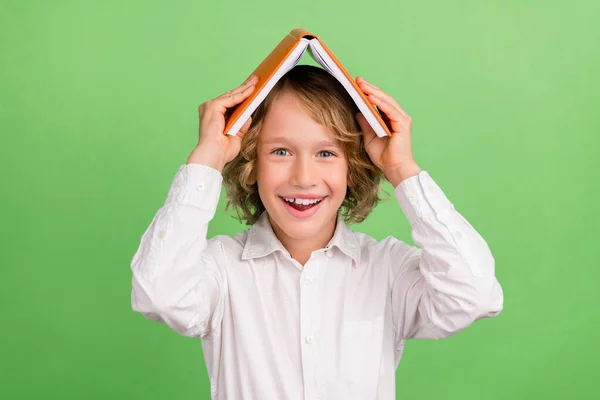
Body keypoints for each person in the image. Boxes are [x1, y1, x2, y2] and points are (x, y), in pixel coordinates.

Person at [130, 65, 503, 400]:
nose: (304, 178)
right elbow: (159, 294)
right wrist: (207, 157)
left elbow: (473, 295)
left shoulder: (388, 269)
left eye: (326, 153)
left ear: (352, 167)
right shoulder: (222, 269)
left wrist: (402, 167)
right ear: (250, 164)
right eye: (280, 152)